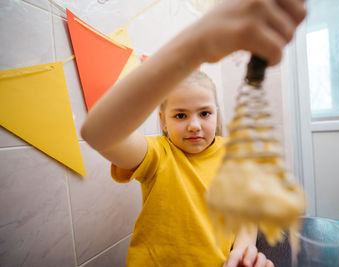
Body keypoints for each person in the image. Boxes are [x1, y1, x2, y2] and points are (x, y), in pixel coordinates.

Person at [80, 0, 306, 266]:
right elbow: (98, 133)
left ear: (217, 113)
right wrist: (196, 44)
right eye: (180, 115)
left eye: (205, 113)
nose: (195, 125)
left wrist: (243, 251)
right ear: (163, 121)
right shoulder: (157, 155)